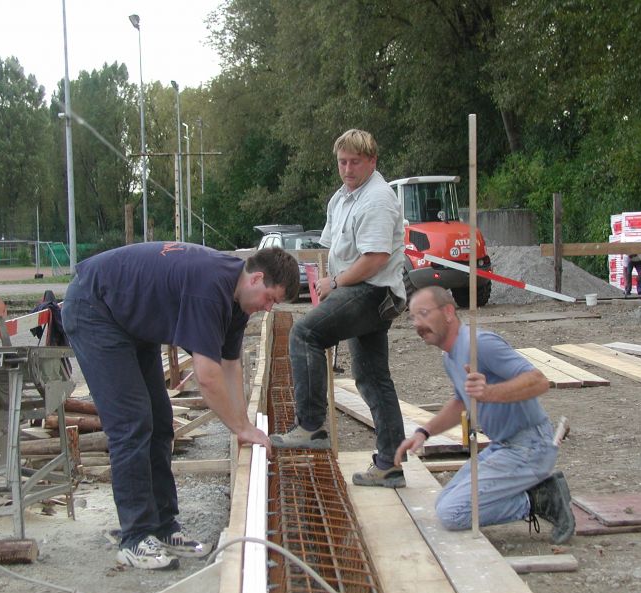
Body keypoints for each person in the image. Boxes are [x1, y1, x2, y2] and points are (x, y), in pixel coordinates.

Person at [62, 242, 299, 570]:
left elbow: (230, 367)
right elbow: (207, 377)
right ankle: (134, 537)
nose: (268, 308)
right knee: (131, 422)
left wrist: (245, 425)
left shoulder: (237, 303)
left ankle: (163, 526)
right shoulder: (211, 288)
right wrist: (241, 428)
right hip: (95, 308)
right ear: (257, 279)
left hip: (132, 321)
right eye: (270, 299)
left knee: (160, 421)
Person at [270, 129, 408, 488]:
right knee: (373, 378)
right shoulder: (343, 198)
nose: (347, 169)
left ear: (372, 161)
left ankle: (312, 426)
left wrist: (336, 282)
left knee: (305, 334)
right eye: (342, 162)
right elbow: (333, 248)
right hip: (358, 289)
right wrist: (332, 281)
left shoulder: (377, 198)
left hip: (372, 292)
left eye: (355, 162)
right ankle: (390, 464)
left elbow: (376, 258)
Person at [395, 286, 575, 544]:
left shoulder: (478, 344)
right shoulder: (450, 357)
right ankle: (532, 490)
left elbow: (540, 381)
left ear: (448, 312)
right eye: (413, 317)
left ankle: (538, 500)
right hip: (503, 446)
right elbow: (461, 402)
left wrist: (489, 393)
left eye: (423, 313)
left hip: (529, 446)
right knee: (443, 502)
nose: (418, 324)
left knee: (453, 513)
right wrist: (424, 432)